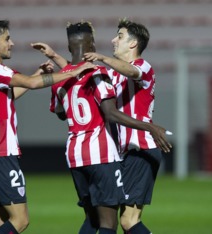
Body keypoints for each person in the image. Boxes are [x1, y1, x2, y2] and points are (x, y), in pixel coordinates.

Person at [32, 18, 170, 234]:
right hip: (118, 152)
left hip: (139, 148)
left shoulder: (143, 66)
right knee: (104, 217)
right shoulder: (112, 74)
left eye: (120, 36)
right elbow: (79, 72)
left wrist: (102, 58)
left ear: (133, 44)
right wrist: (55, 57)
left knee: (127, 221)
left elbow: (131, 72)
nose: (114, 40)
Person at [0, 20, 96, 234]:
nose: (11, 44)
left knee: (2, 223)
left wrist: (37, 74)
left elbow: (11, 96)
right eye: (7, 39)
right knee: (20, 220)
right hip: (0, 153)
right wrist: (70, 73)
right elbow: (30, 84)